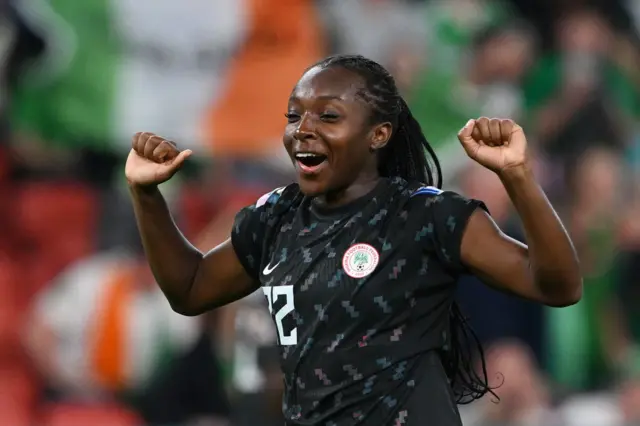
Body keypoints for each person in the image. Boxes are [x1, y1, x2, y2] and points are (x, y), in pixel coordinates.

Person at [125, 54, 582, 425]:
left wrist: (517, 176)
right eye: (294, 116)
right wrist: (146, 194)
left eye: (328, 116)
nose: (303, 130)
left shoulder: (426, 215)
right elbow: (190, 289)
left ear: (378, 134)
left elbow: (557, 286)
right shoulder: (275, 218)